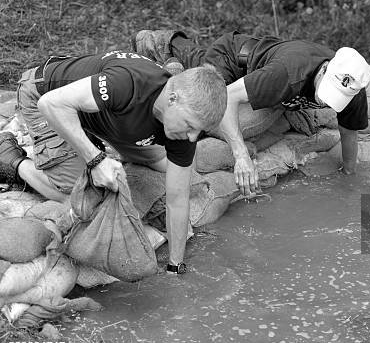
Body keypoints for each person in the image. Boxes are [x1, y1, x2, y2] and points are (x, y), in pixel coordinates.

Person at [0, 51, 227, 274]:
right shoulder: (127, 84)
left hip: (102, 117)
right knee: (81, 197)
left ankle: (96, 145)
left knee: (172, 168)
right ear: (173, 99)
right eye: (190, 125)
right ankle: (12, 159)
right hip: (45, 96)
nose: (192, 137)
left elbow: (177, 200)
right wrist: (96, 160)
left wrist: (175, 265)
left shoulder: (182, 130)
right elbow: (51, 104)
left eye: (199, 131)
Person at [131, 30, 370, 196]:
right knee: (204, 105)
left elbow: (349, 134)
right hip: (233, 59)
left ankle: (170, 44)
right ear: (325, 70)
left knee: (200, 62)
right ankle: (165, 55)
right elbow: (228, 97)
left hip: (261, 70)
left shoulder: (354, 91)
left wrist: (349, 178)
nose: (324, 100)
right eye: (326, 91)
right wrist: (241, 156)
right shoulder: (287, 74)